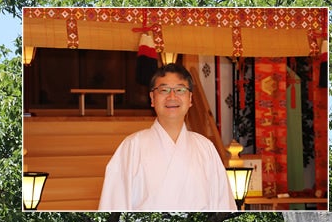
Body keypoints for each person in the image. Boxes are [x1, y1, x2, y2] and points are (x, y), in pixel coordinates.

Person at [98, 63, 237, 211]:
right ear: (152, 98)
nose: (172, 96)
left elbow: (223, 205)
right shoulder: (132, 146)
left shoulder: (205, 147)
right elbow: (113, 205)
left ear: (190, 98)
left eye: (180, 90)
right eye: (164, 90)